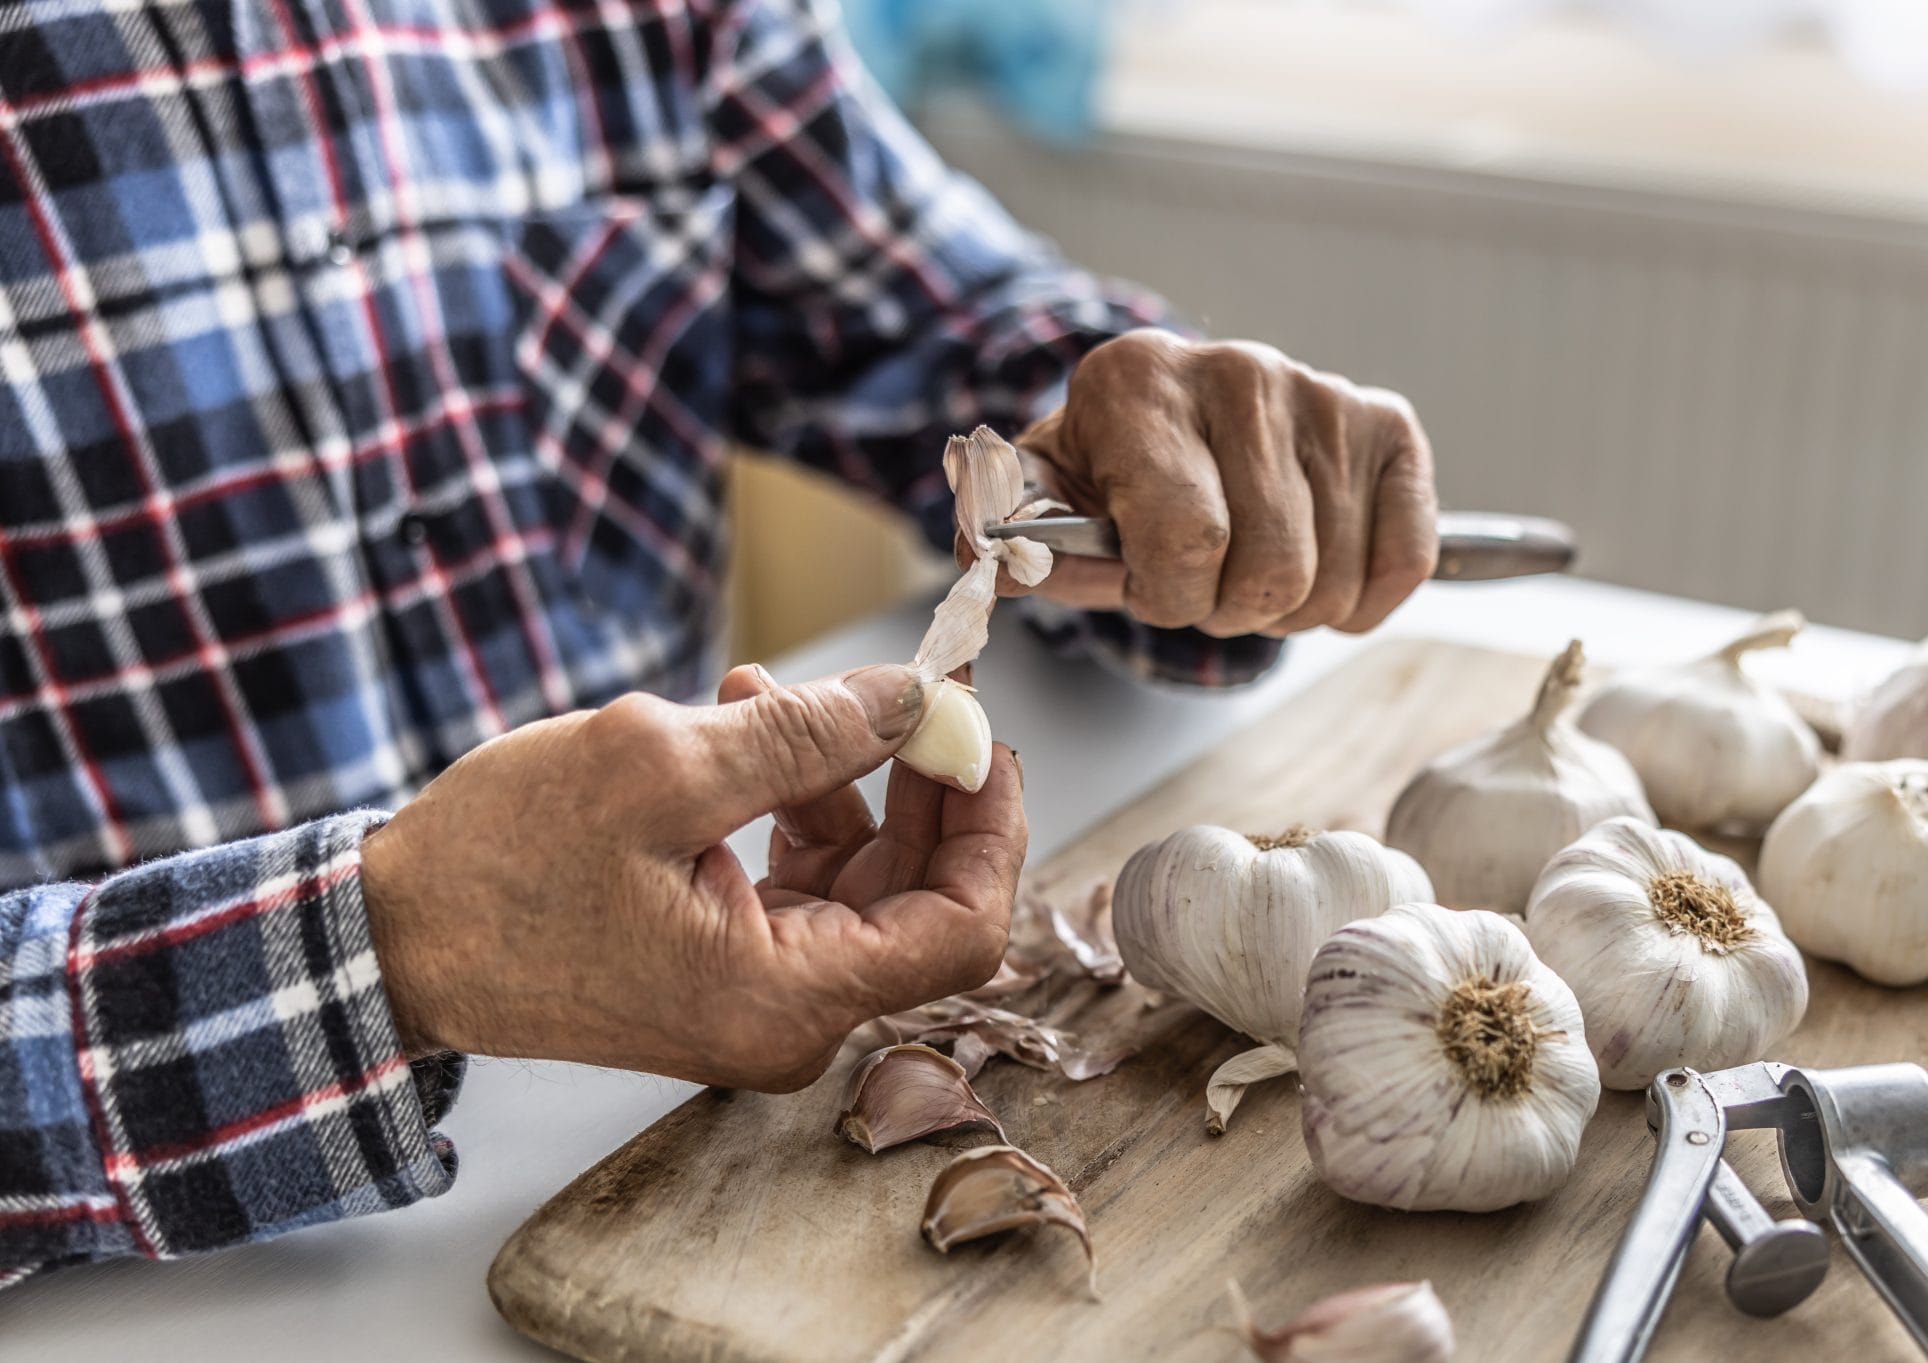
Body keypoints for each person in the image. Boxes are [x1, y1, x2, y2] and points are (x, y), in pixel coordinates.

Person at [0, 0, 1437, 1288]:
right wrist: (392, 956)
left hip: (684, 1163)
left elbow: (940, 317)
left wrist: (1153, 452)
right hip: (136, 1326)